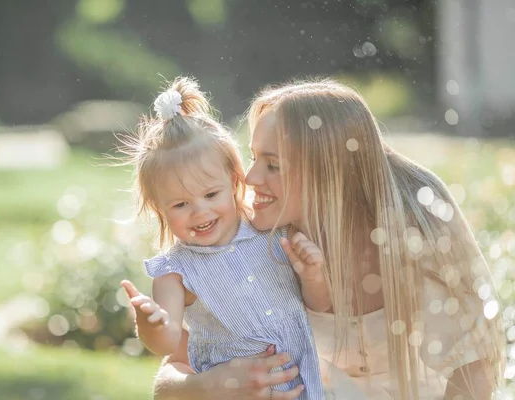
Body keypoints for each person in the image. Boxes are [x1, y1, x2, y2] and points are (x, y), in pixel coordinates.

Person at [152, 78, 506, 399]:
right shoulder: (251, 236)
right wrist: (209, 385)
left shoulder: (412, 223)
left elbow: (473, 366)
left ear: (328, 170)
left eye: (273, 165)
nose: (250, 177)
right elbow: (170, 375)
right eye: (253, 157)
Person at [119, 76, 325, 399]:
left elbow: (318, 305)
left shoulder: (268, 231)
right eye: (181, 204)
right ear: (160, 209)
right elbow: (169, 342)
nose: (199, 212)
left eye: (211, 194)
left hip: (308, 387)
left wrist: (313, 276)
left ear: (233, 181)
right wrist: (151, 324)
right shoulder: (175, 271)